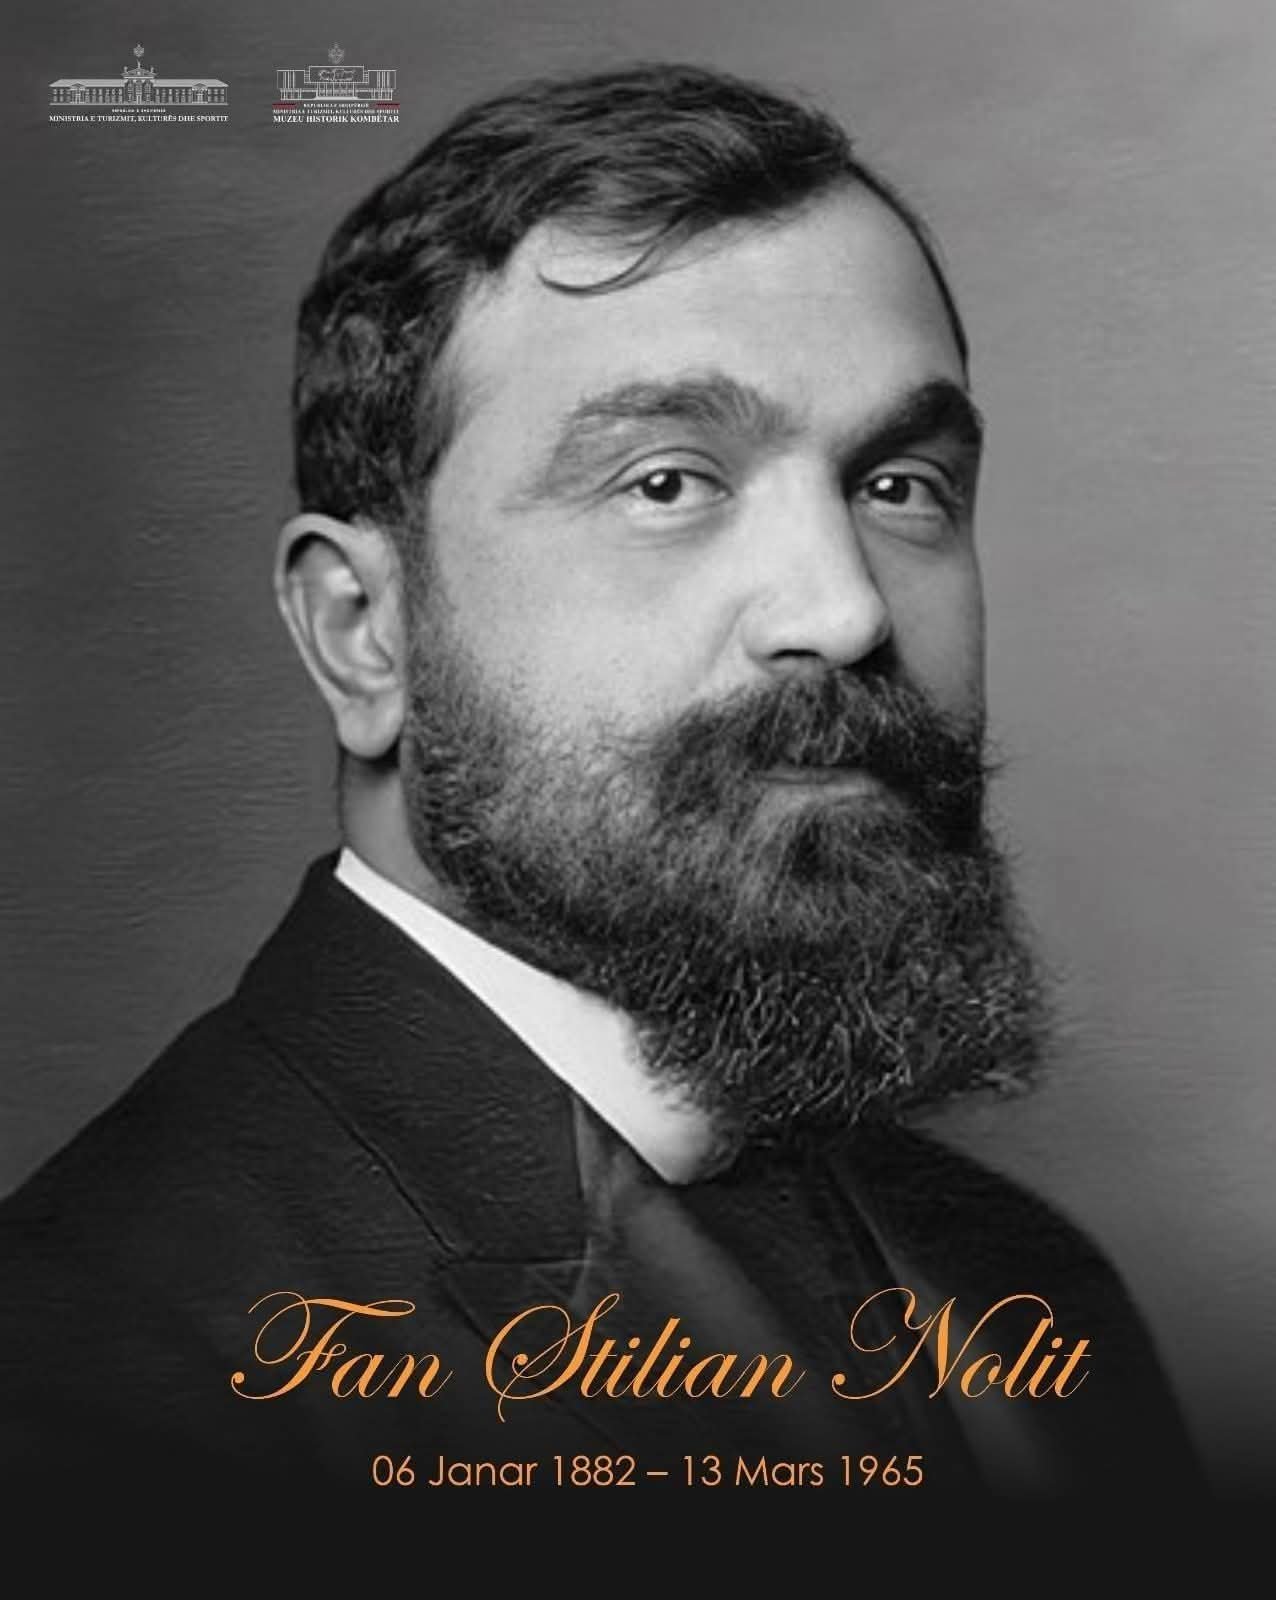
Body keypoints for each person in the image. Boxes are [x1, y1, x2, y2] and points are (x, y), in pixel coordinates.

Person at [0, 63, 1200, 1493]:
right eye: (666, 482)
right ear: (363, 632)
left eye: (899, 486)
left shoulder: (1034, 1293)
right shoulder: (90, 1376)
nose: (844, 612)